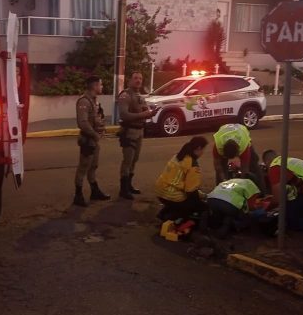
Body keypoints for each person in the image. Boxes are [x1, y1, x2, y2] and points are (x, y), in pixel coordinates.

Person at [117, 71, 159, 200]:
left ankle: (129, 185)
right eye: (135, 78)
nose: (138, 80)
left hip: (140, 131)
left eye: (140, 78)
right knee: (128, 160)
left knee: (134, 160)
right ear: (130, 80)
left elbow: (144, 110)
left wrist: (151, 113)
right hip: (129, 132)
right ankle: (123, 189)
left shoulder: (139, 95)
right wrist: (144, 115)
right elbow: (124, 115)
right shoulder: (125, 95)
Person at [73, 75, 111, 207]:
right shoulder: (84, 101)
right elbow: (82, 123)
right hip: (88, 140)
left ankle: (95, 191)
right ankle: (78, 195)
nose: (102, 87)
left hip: (94, 140)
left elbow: (96, 118)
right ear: (94, 86)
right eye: (100, 84)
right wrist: (95, 135)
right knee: (83, 168)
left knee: (93, 167)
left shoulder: (94, 101)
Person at [154, 136, 209, 221]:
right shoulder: (192, 165)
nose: (203, 152)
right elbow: (190, 191)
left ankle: (164, 213)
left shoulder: (178, 156)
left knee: (178, 201)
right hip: (171, 195)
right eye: (203, 150)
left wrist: (202, 195)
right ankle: (172, 218)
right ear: (199, 148)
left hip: (160, 190)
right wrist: (202, 204)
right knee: (192, 206)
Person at [212, 123, 265, 190]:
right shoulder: (218, 145)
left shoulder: (244, 145)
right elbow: (217, 166)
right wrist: (223, 180)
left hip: (241, 131)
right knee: (221, 169)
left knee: (253, 164)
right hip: (225, 130)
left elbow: (245, 169)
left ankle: (261, 190)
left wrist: (242, 185)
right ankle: (220, 191)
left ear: (238, 152)